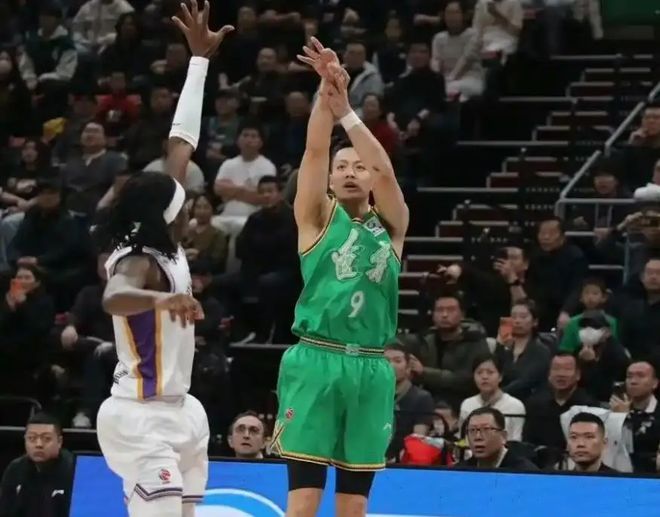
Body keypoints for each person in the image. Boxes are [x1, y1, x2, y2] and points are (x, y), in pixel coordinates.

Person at [93, 4, 233, 517]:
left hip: (182, 410)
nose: (189, 198)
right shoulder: (139, 258)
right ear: (169, 213)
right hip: (139, 414)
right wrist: (161, 299)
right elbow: (114, 297)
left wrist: (198, 62)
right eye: (183, 199)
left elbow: (181, 143)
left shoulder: (162, 232)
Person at [271, 38, 409, 517]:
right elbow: (314, 150)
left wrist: (348, 112)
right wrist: (326, 93)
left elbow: (386, 172)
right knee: (303, 504)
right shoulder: (315, 220)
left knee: (353, 508)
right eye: (342, 167)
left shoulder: (393, 226)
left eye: (358, 167)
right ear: (330, 180)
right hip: (316, 359)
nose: (351, 172)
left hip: (370, 366)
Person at [0, 412, 74, 517]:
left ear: (59, 441)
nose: (38, 444)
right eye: (32, 438)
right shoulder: (15, 469)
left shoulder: (74, 470)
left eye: (46, 439)